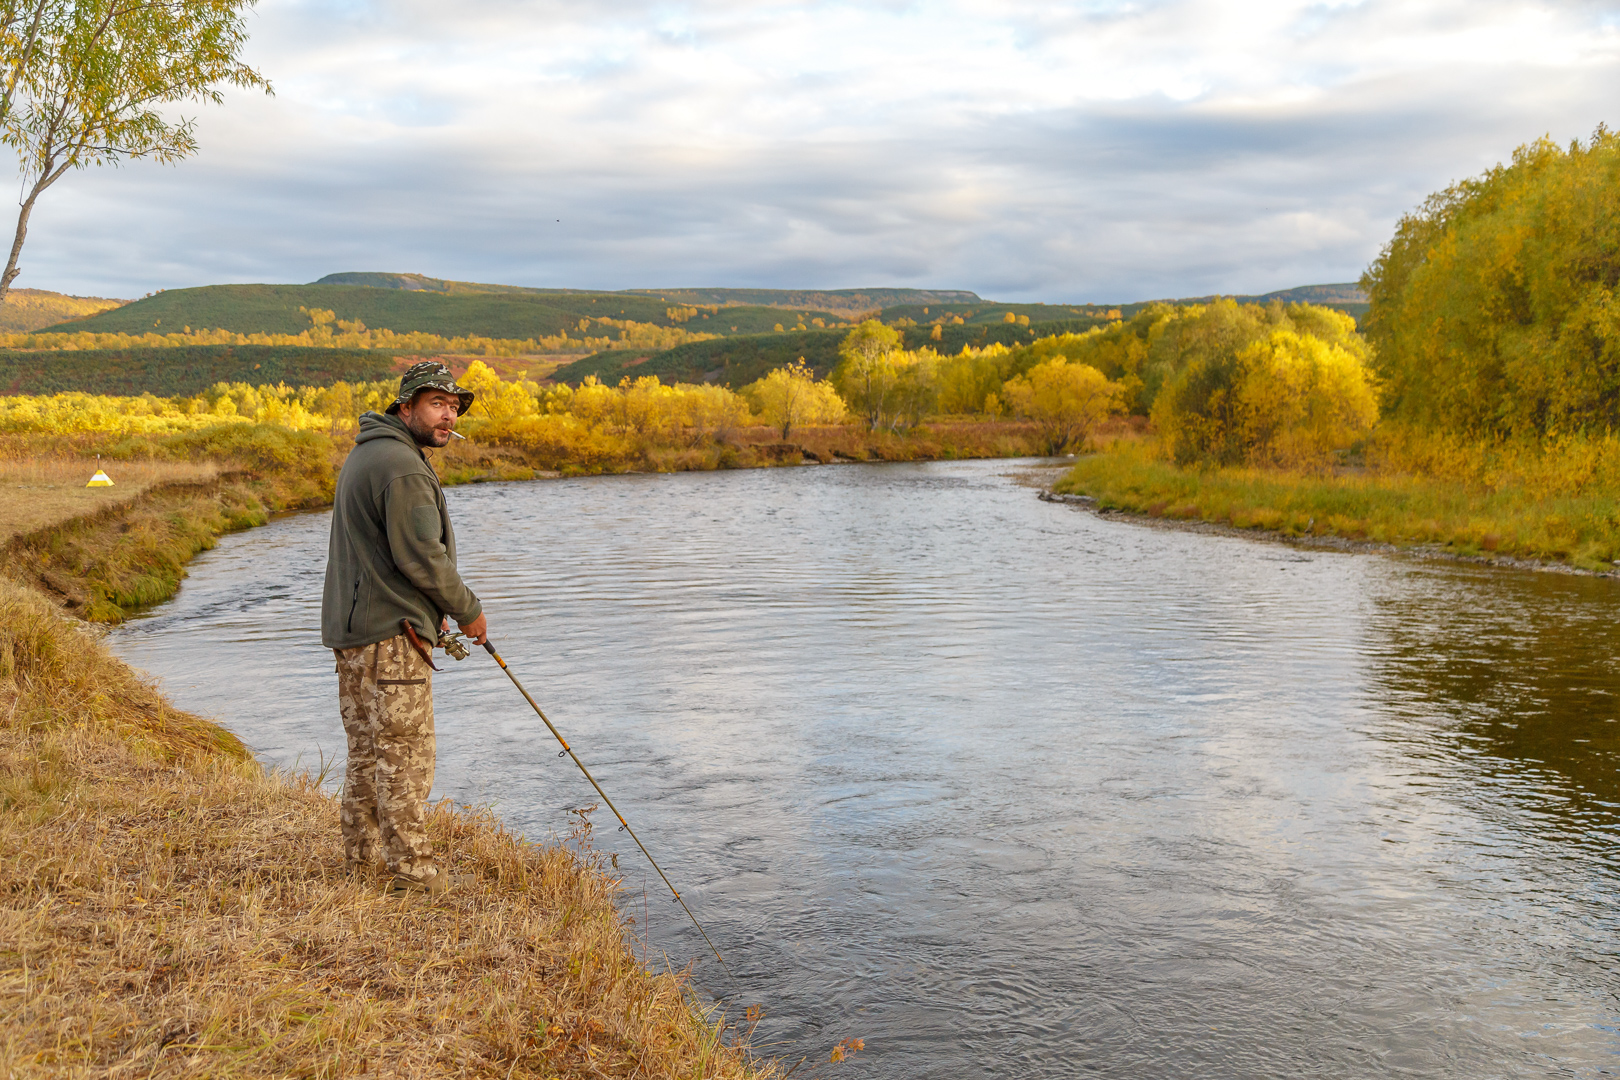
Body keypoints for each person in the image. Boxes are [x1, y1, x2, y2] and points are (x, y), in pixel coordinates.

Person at [320, 360, 489, 898]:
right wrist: (468, 611)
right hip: (389, 637)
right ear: (406, 407)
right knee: (405, 758)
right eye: (436, 404)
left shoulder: (369, 452)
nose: (448, 416)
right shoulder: (404, 467)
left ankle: (362, 860)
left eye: (453, 407)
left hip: (355, 633)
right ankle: (414, 874)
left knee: (369, 751)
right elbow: (424, 559)